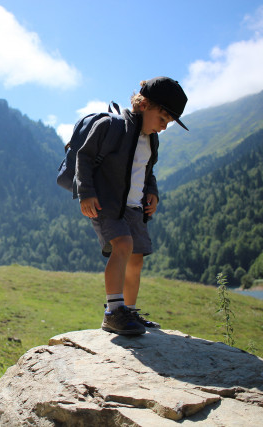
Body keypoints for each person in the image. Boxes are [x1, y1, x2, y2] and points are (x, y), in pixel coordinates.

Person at [76, 77, 189, 335]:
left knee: (136, 259)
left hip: (135, 208)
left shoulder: (151, 140)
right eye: (162, 119)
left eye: (168, 123)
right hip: (107, 203)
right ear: (144, 104)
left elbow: (147, 172)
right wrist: (86, 192)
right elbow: (84, 155)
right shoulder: (112, 126)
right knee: (123, 246)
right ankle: (113, 312)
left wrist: (153, 193)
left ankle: (129, 311)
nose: (163, 127)